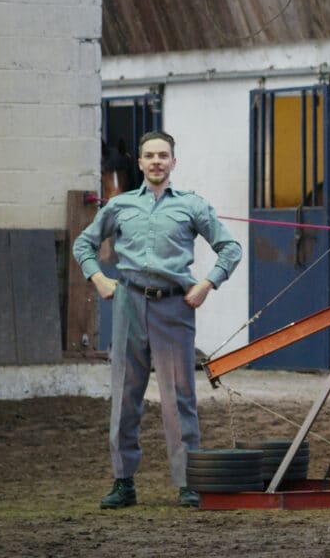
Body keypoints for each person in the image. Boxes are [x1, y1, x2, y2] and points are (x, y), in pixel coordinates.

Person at [72, 130, 242, 510]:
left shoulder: (192, 206)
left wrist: (207, 284)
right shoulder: (119, 207)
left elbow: (231, 248)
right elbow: (83, 243)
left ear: (173, 162)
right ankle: (123, 482)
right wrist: (97, 277)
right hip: (128, 304)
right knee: (125, 395)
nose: (156, 162)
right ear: (140, 163)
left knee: (179, 398)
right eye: (149, 156)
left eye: (163, 156)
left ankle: (187, 483)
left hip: (174, 308)